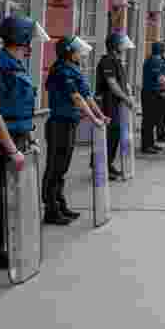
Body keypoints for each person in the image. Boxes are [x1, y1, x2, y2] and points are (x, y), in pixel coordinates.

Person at [0, 16, 49, 287]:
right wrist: (12, 148)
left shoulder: (16, 65)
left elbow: (20, 106)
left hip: (16, 137)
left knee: (5, 200)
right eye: (29, 41)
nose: (31, 46)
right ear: (22, 39)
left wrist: (29, 137)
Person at [44, 36, 107, 226]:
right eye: (78, 51)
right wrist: (93, 118)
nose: (81, 55)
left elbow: (87, 95)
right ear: (69, 53)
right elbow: (77, 98)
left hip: (69, 123)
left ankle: (60, 205)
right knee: (55, 168)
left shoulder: (73, 69)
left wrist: (100, 115)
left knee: (62, 168)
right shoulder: (62, 71)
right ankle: (51, 210)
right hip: (59, 124)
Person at [96, 31, 137, 180]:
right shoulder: (107, 61)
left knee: (114, 134)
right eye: (122, 45)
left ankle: (107, 164)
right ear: (115, 46)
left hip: (116, 103)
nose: (124, 48)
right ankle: (103, 166)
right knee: (110, 134)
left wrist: (128, 94)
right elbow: (112, 84)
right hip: (108, 103)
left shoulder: (117, 60)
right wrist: (127, 99)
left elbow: (121, 82)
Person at [141, 41, 165, 154]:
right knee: (149, 121)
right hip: (150, 93)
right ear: (161, 51)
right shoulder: (155, 60)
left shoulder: (157, 60)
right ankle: (147, 146)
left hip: (154, 93)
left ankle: (150, 144)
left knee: (152, 120)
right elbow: (160, 77)